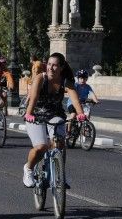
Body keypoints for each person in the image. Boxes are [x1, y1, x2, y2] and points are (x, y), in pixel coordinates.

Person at [22, 52, 86, 188]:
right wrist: (29, 114)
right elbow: (33, 99)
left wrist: (80, 113)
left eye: (55, 65)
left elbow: (74, 99)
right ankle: (28, 169)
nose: (51, 68)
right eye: (49, 64)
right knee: (41, 147)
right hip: (36, 115)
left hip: (55, 114)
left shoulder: (65, 81)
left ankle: (60, 173)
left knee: (59, 143)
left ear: (61, 68)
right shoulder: (40, 78)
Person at [65, 69, 99, 135]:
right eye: (80, 78)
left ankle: (85, 127)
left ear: (86, 79)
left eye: (84, 78)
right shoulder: (76, 85)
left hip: (82, 104)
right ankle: (68, 132)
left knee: (87, 114)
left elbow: (92, 93)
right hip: (72, 103)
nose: (82, 80)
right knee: (73, 115)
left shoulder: (88, 87)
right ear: (78, 78)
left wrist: (96, 100)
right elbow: (70, 90)